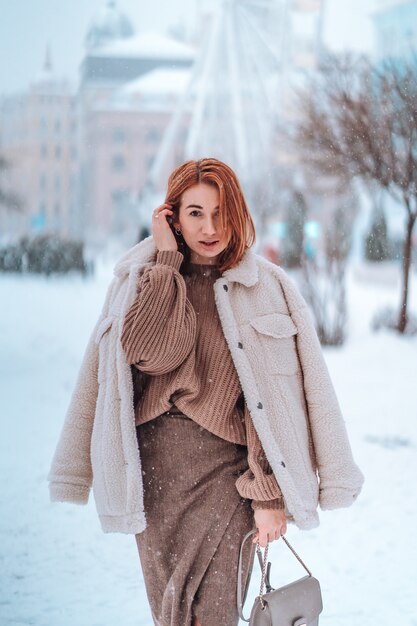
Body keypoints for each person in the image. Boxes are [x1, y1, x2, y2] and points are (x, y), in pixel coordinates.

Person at [47, 157, 364, 626]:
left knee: (214, 615)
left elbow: (269, 404)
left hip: (228, 476)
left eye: (220, 212)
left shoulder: (267, 288)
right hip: (156, 477)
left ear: (237, 213)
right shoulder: (140, 281)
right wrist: (167, 262)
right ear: (172, 216)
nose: (210, 226)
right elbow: (152, 353)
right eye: (195, 212)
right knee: (170, 615)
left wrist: (268, 495)